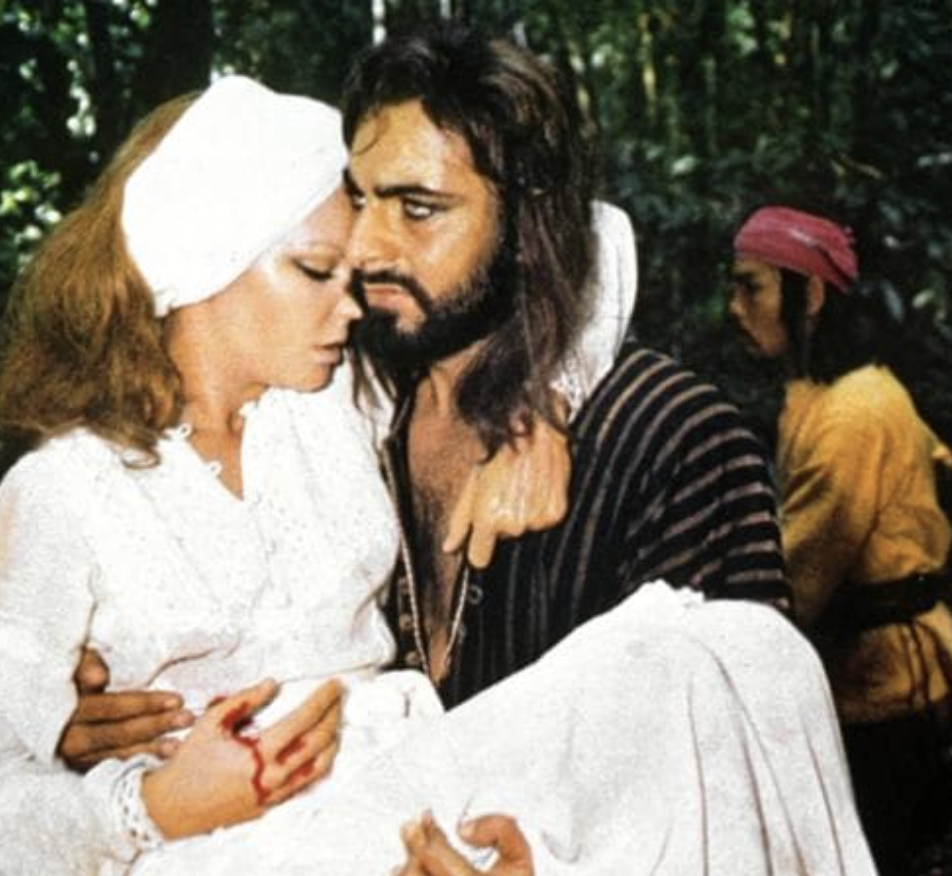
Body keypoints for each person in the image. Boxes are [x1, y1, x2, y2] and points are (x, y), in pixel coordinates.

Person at [42, 30, 873, 876]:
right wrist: (74, 730)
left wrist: (545, 400)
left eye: (419, 208)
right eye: (358, 202)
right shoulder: (338, 396)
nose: (367, 249)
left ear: (526, 226)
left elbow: (746, 789)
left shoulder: (671, 436)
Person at [729, 204, 952, 875]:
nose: (735, 308)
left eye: (751, 287)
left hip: (891, 692)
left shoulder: (856, 410)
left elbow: (798, 582)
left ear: (813, 293)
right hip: (862, 683)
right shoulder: (821, 396)